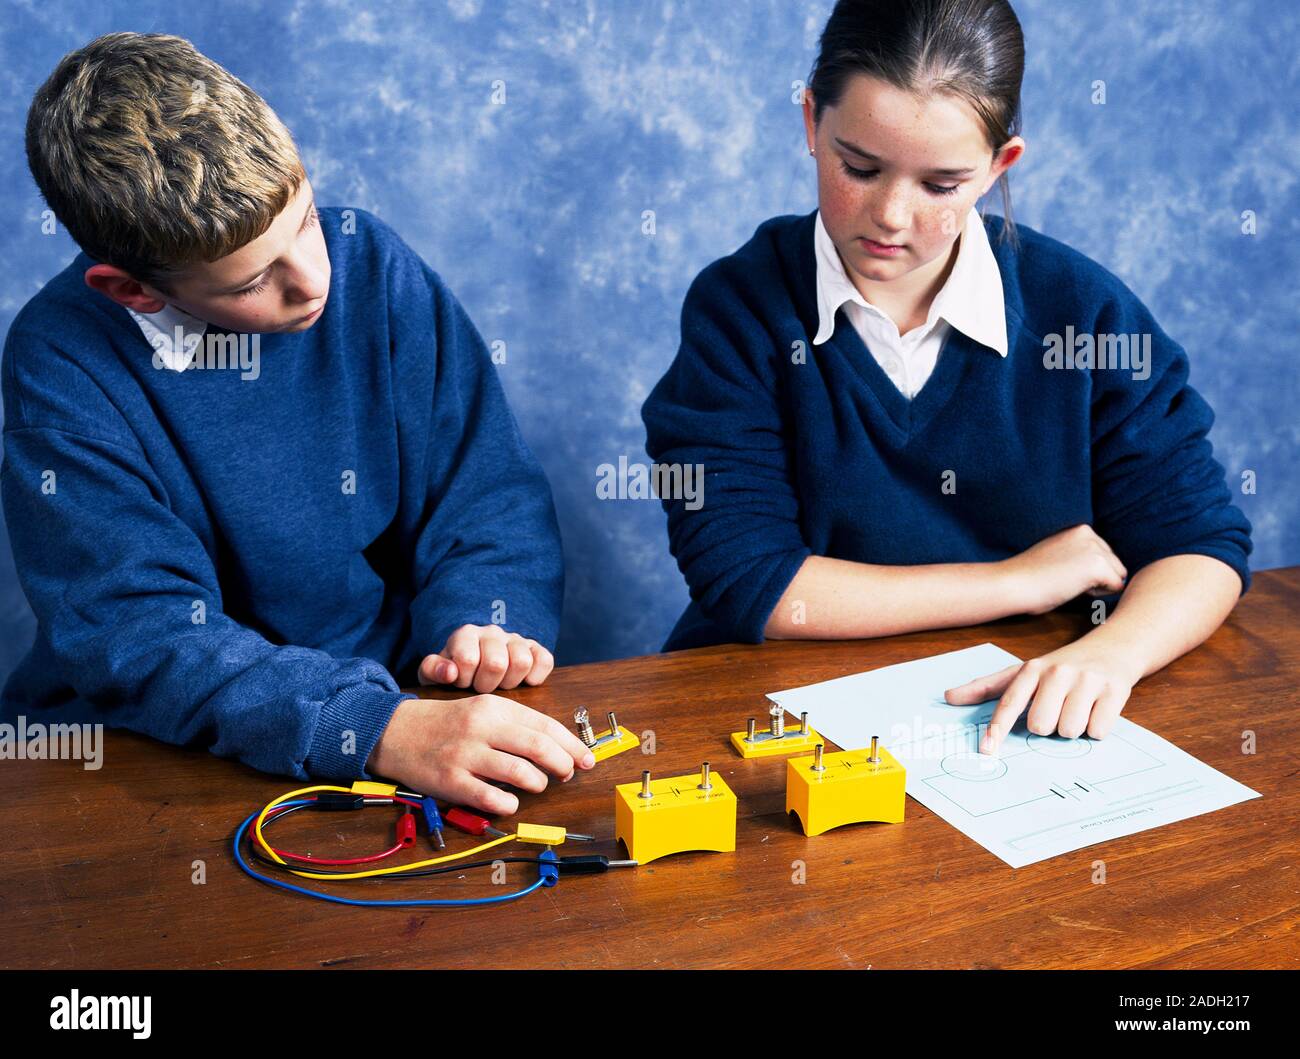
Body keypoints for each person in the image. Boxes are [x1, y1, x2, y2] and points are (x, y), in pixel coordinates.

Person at [2, 33, 594, 812]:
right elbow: (141, 635)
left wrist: (485, 621)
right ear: (132, 291)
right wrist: (372, 727)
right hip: (151, 756)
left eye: (306, 218)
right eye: (254, 278)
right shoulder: (61, 364)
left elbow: (485, 491)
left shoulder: (368, 263)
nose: (314, 282)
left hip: (401, 711)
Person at [641, 0, 1251, 753]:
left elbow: (1201, 546)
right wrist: (1020, 581)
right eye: (858, 167)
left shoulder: (1083, 311)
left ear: (1000, 166)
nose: (891, 215)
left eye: (941, 185)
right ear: (810, 122)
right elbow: (751, 581)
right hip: (779, 714)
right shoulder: (739, 308)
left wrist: (1110, 654)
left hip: (1011, 723)